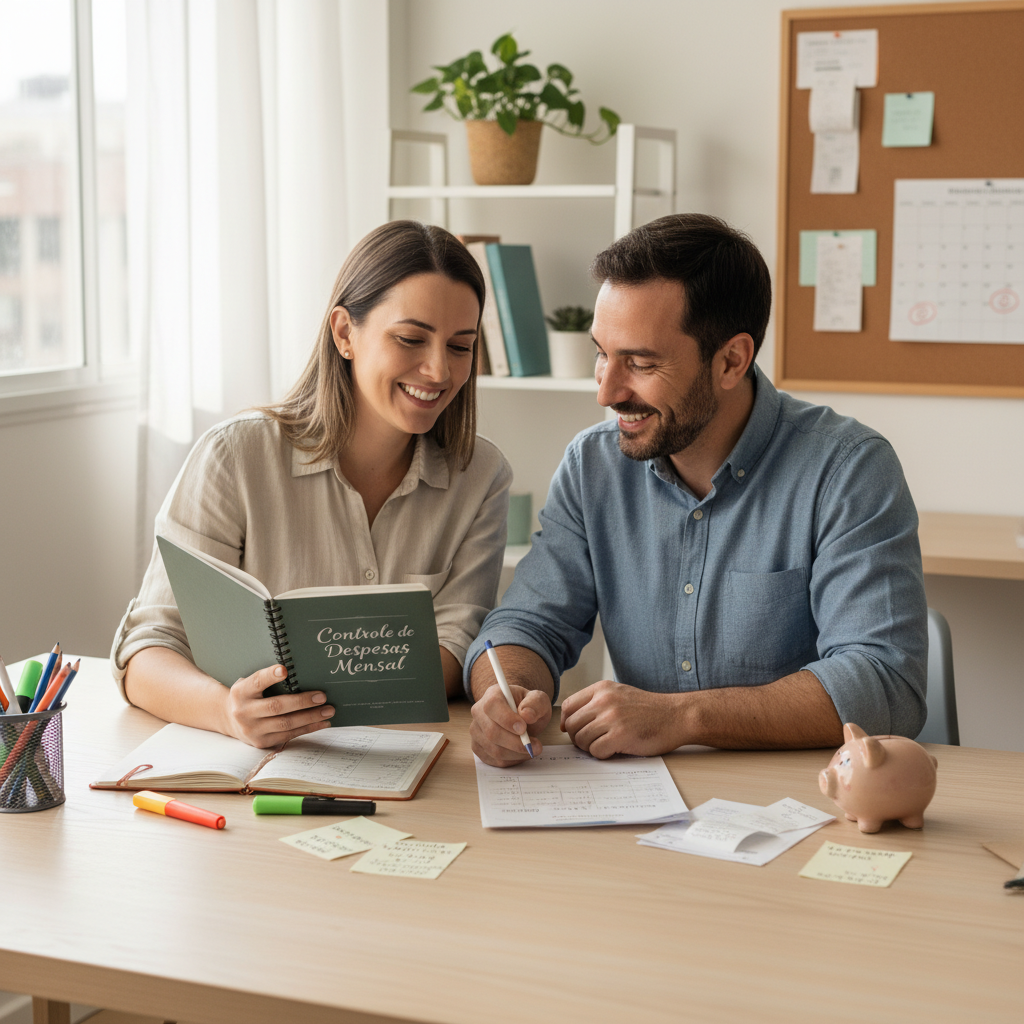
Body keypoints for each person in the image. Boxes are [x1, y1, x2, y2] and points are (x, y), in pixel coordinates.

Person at [467, 213, 928, 767]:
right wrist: (507, 689)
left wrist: (683, 716)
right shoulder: (594, 465)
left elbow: (886, 684)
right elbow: (529, 622)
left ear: (731, 360)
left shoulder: (847, 469)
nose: (607, 391)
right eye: (601, 355)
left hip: (807, 801)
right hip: (645, 806)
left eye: (639, 363)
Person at [112, 220, 511, 748]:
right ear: (344, 332)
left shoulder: (480, 476)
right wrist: (228, 712)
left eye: (460, 347)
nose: (438, 370)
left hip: (406, 759)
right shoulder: (234, 457)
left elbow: (455, 646)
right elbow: (147, 649)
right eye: (411, 338)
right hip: (254, 769)